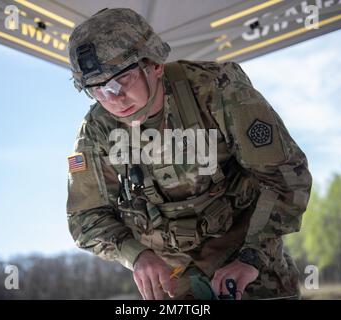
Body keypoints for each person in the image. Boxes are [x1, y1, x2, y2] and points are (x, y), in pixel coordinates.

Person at [66, 8, 312, 300]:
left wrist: (252, 259)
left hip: (247, 257)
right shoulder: (95, 131)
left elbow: (285, 177)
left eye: (122, 80)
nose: (113, 99)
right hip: (172, 280)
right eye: (98, 89)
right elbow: (86, 217)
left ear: (154, 64)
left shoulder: (218, 89)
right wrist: (137, 256)